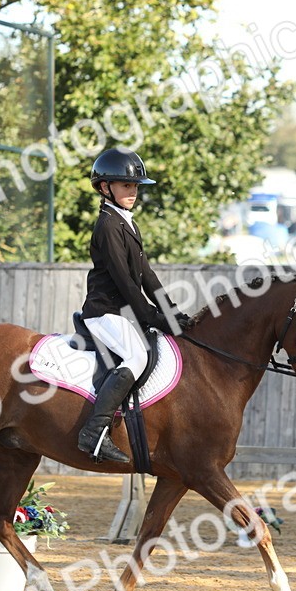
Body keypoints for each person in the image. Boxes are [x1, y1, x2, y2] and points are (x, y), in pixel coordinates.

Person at [77, 146, 190, 463]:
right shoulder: (107, 225)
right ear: (105, 187)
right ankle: (94, 432)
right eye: (126, 185)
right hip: (103, 312)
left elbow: (147, 275)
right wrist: (153, 317)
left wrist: (172, 313)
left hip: (120, 312)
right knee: (137, 356)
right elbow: (126, 282)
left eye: (136, 186)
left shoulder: (127, 222)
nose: (133, 192)